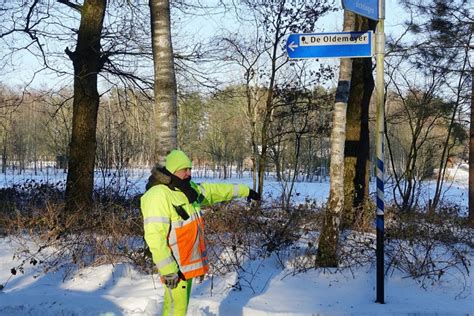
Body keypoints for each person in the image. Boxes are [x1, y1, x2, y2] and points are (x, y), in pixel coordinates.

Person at [141, 149, 260, 315]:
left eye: (190, 169)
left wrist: (245, 191)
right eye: (185, 169)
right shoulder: (158, 195)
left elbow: (214, 191)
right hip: (175, 265)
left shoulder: (187, 190)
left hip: (186, 262)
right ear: (173, 169)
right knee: (178, 309)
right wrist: (168, 270)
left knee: (173, 306)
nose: (189, 173)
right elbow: (155, 237)